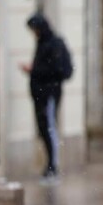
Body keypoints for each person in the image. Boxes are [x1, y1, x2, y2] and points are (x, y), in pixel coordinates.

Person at [22, 13, 73, 183]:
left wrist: (34, 71)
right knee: (44, 128)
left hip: (49, 94)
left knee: (50, 127)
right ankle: (50, 165)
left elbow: (56, 70)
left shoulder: (53, 44)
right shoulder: (42, 43)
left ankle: (53, 166)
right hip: (40, 94)